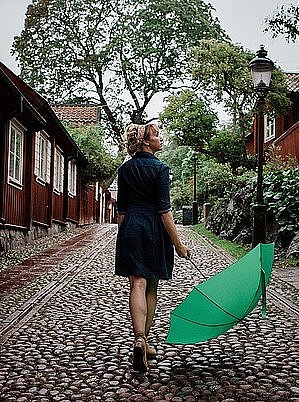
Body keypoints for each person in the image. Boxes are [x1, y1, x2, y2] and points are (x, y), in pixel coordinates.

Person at [115, 123, 190, 373]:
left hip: (131, 228)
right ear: (146, 142)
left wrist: (123, 237)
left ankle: (139, 340)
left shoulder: (124, 169)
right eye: (157, 135)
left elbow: (121, 211)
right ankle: (143, 341)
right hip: (155, 229)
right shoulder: (160, 169)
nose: (161, 138)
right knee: (152, 286)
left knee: (137, 283)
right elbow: (165, 211)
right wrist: (178, 244)